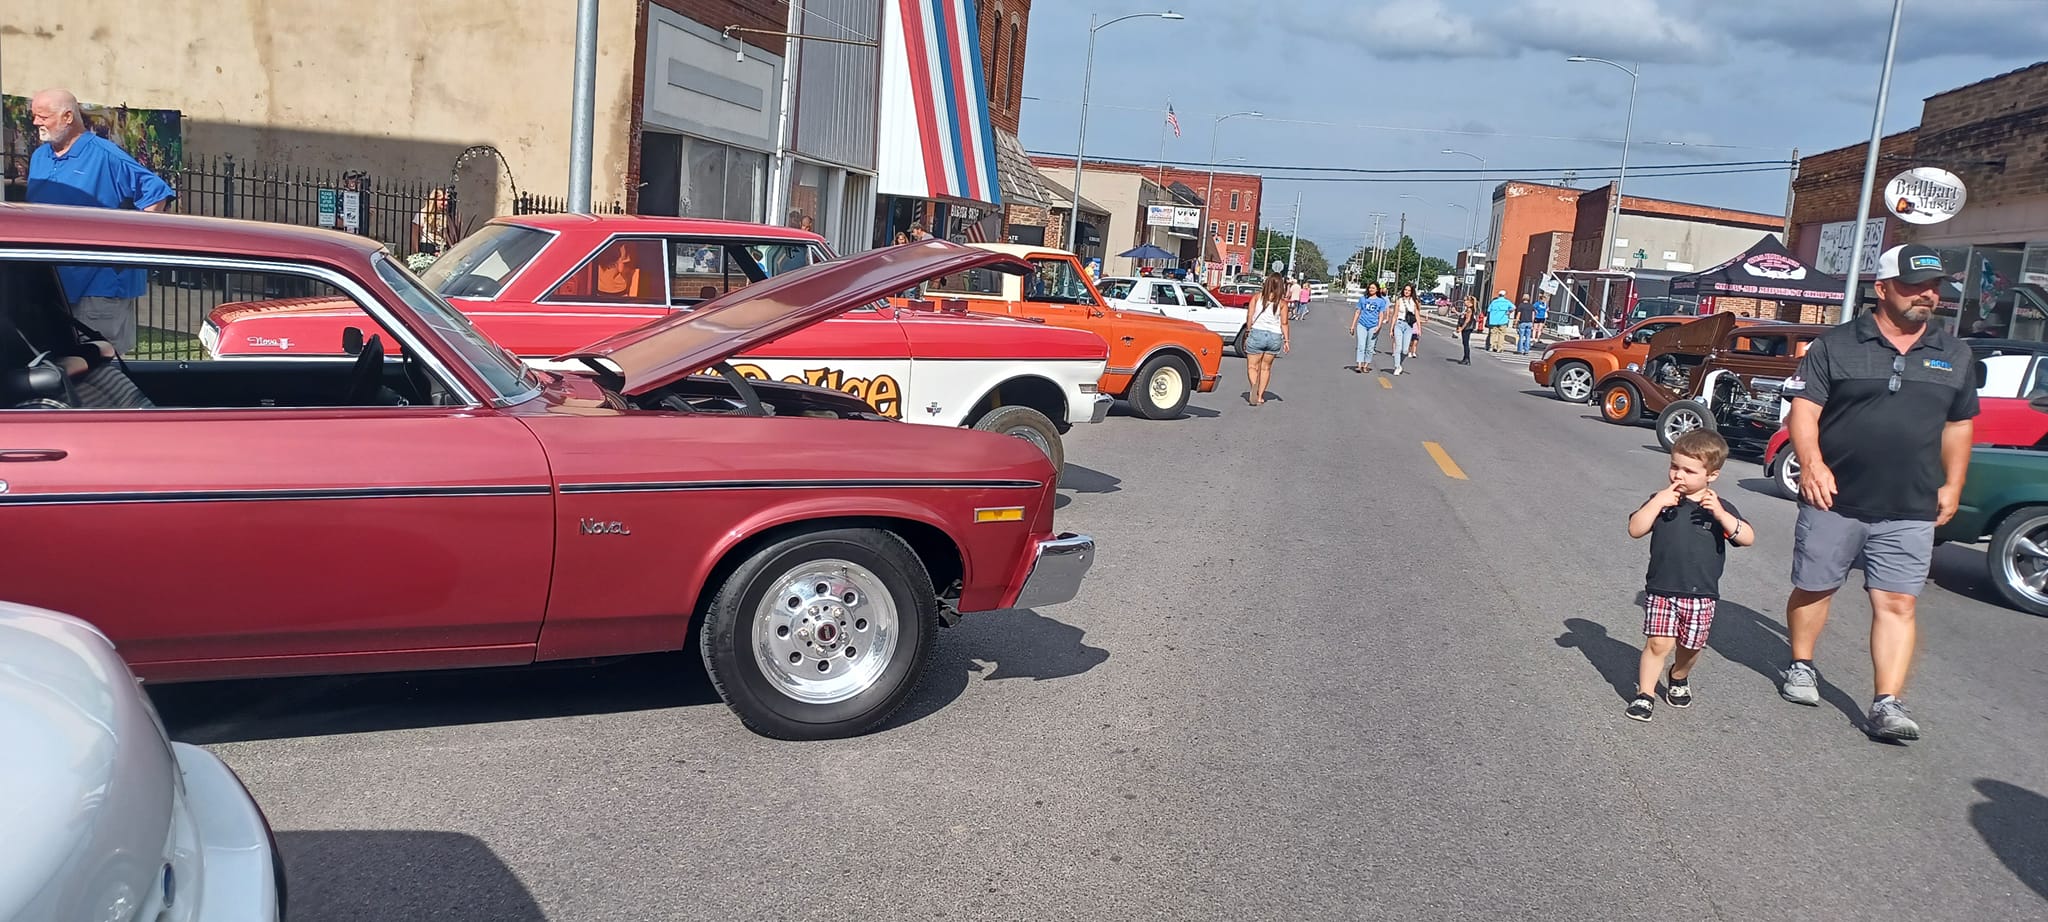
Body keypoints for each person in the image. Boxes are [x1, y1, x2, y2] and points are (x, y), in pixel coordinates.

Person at [1775, 244, 1979, 742]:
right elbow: (1805, 411)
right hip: (1834, 497)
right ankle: (1802, 665)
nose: (1927, 295)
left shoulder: (1954, 353)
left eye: (1934, 287)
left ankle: (1887, 702)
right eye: (1914, 285)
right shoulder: (1836, 344)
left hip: (1910, 505)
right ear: (1882, 288)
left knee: (1898, 603)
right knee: (1815, 586)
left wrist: (1953, 483)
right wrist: (1812, 465)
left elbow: (1958, 425)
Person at [25, 88, 177, 354]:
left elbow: (156, 194)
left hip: (98, 287)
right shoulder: (40, 157)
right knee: (59, 363)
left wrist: (126, 251)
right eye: (34, 116)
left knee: (98, 366)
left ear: (68, 117)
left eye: (43, 116)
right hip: (54, 284)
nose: (36, 122)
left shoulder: (105, 155)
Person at [1623, 429, 1754, 722]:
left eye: (1689, 471)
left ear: (1712, 475)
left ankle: (1679, 675)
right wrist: (1657, 502)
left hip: (1701, 593)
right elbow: (1635, 529)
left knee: (1691, 646)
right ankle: (1645, 694)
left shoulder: (1718, 509)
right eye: (1674, 466)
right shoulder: (1662, 501)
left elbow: (1747, 537)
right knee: (1658, 644)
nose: (1678, 475)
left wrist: (1721, 515)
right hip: (1662, 587)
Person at [1243, 274, 1290, 405]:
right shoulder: (1282, 303)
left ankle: (1254, 385)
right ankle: (1260, 396)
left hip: (1257, 333)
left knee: (1252, 366)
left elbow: (1250, 316)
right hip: (1274, 336)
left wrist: (1248, 331)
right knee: (1266, 368)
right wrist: (1287, 341)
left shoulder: (1256, 298)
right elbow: (1284, 323)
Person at [1349, 283, 1389, 373]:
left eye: (1373, 288)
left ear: (1377, 289)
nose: (1371, 289)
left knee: (1370, 347)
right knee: (1361, 345)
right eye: (1370, 288)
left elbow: (1381, 315)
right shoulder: (1363, 299)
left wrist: (1379, 326)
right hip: (1362, 324)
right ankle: (1359, 365)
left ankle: (1366, 365)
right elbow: (1358, 312)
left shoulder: (1381, 301)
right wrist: (1352, 326)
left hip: (1373, 326)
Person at [1391, 284, 1422, 375]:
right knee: (1398, 347)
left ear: (1411, 292)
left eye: (1408, 290)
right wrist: (1391, 328)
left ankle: (1399, 364)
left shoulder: (1414, 302)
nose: (1406, 292)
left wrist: (1419, 328)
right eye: (1405, 290)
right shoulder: (1399, 301)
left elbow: (1417, 315)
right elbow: (1395, 315)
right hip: (1399, 324)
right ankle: (1397, 366)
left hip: (1409, 326)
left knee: (1405, 350)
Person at [1457, 295, 1480, 365]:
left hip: (1467, 328)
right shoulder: (1467, 309)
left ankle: (1467, 358)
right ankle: (1465, 358)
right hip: (1468, 327)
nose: (1464, 302)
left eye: (1465, 300)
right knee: (1465, 343)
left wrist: (1461, 328)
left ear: (1469, 301)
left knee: (1466, 343)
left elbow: (1467, 320)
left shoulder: (1470, 309)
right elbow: (1462, 315)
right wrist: (1455, 311)